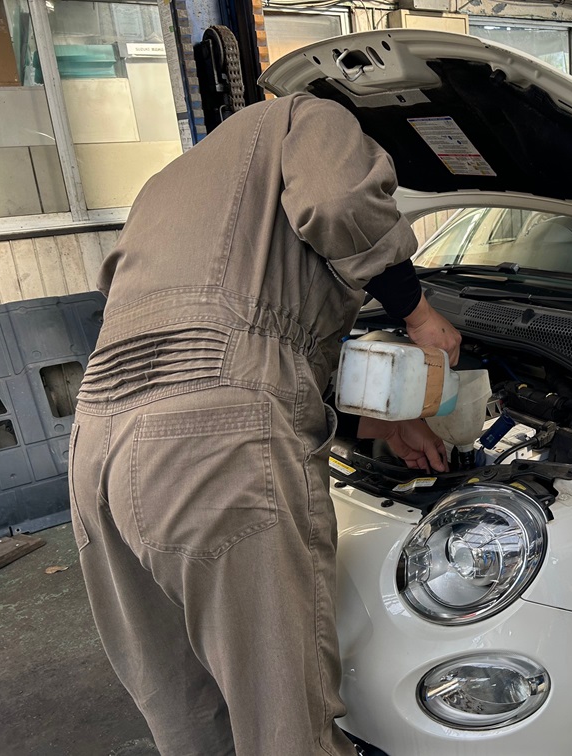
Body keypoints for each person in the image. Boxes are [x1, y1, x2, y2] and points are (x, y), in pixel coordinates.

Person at [67, 93, 461, 755]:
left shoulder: (176, 179)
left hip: (96, 443)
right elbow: (339, 204)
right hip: (208, 447)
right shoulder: (312, 116)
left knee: (187, 712)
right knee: (283, 722)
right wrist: (418, 314)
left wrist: (380, 425)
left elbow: (229, 332)